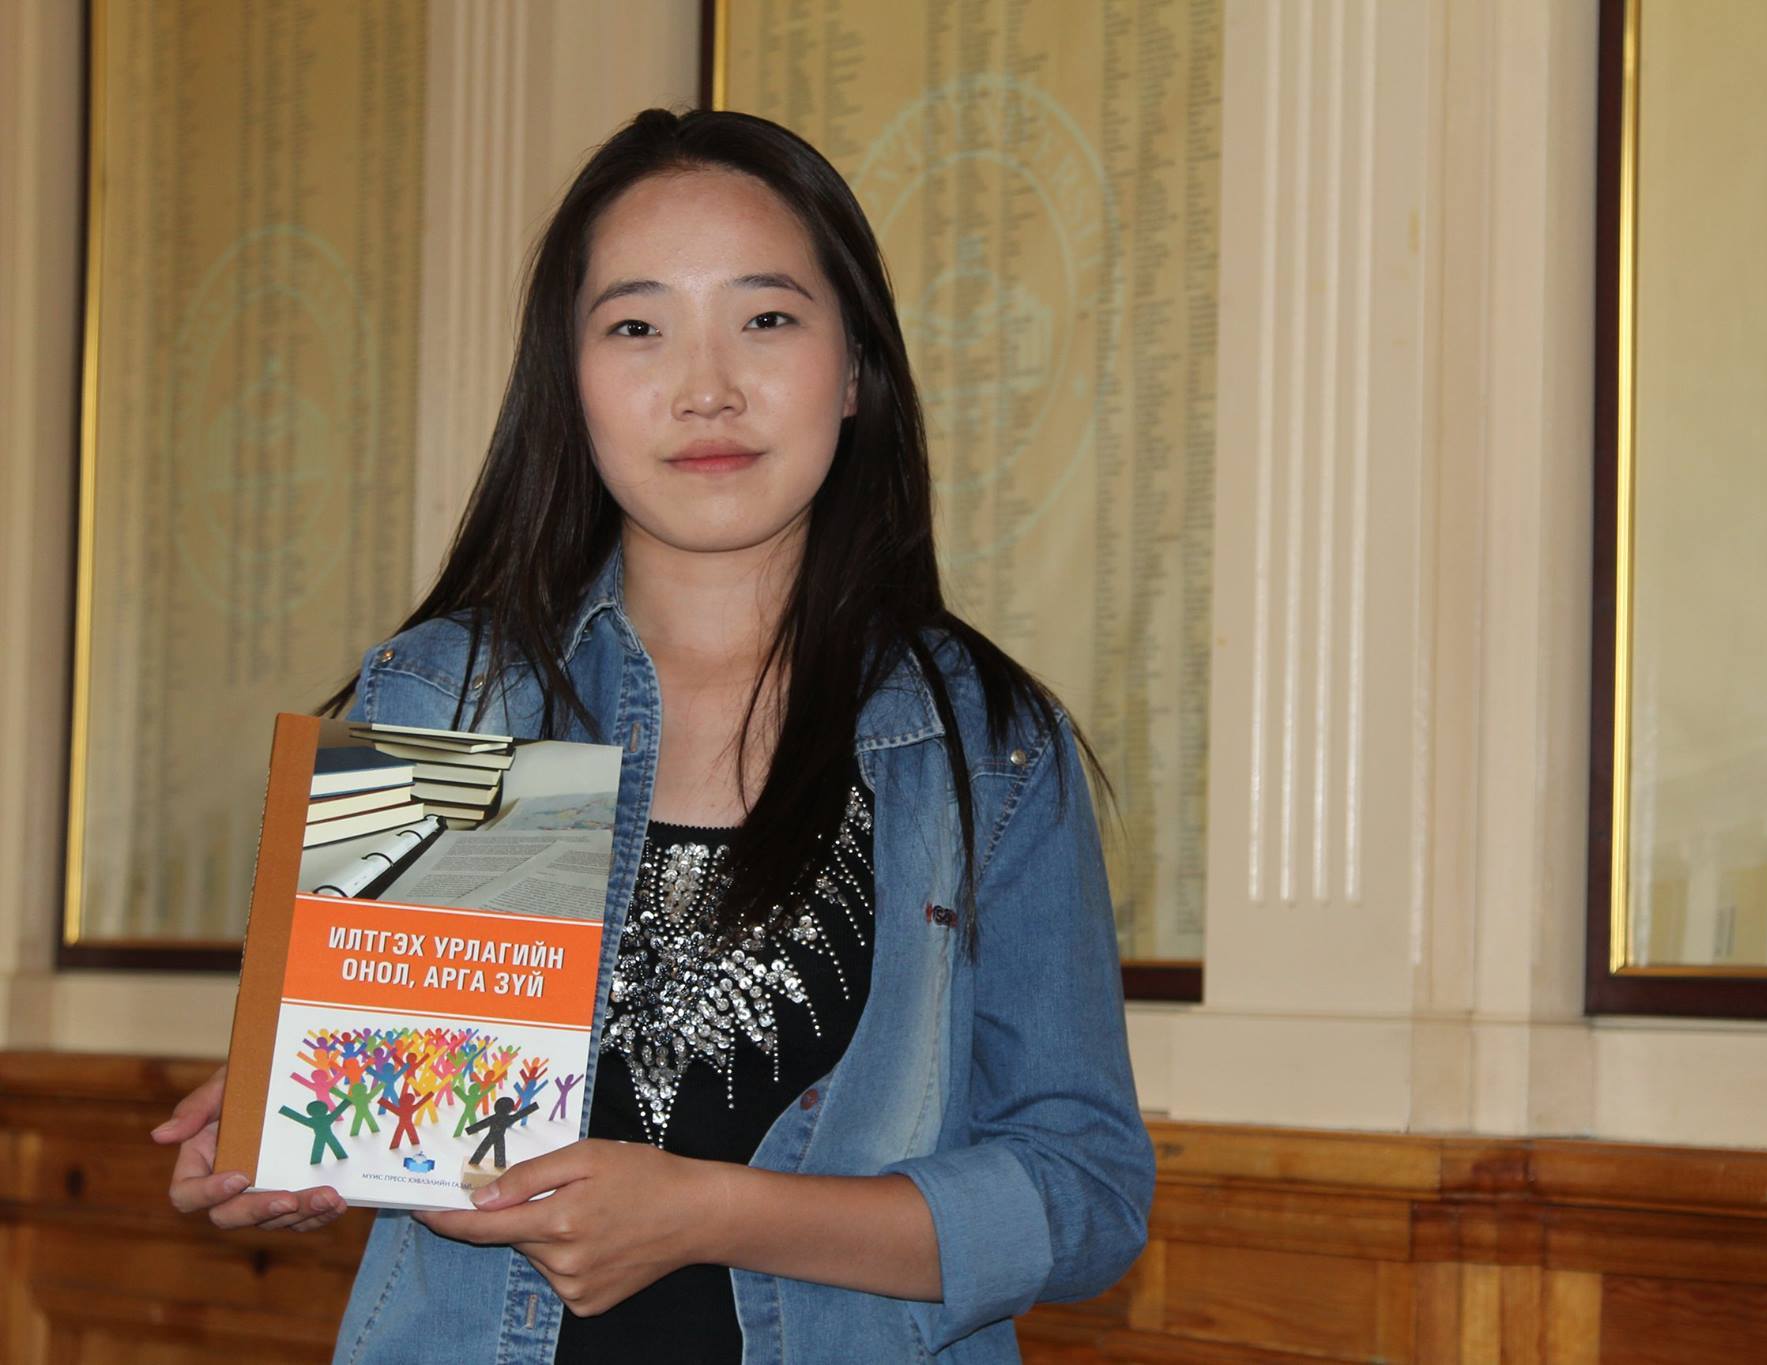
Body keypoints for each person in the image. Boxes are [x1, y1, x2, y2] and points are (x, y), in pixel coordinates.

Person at [152, 106, 1152, 1363]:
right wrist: (305, 1131)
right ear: (567, 384)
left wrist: (706, 1215)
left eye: (766, 319)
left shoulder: (984, 745)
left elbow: (1084, 1197)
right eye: (636, 327)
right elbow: (415, 1118)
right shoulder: (451, 694)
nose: (705, 387)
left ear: (854, 369)